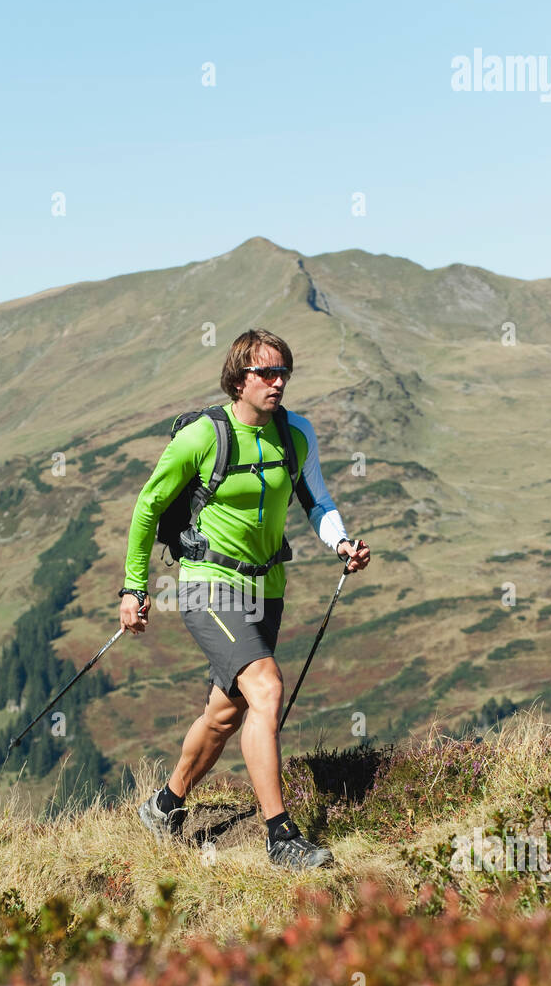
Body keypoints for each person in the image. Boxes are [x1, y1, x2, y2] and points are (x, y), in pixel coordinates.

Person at [118, 328, 370, 869]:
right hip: (206, 583)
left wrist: (341, 541)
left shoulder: (295, 433)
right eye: (266, 373)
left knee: (226, 712)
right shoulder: (203, 437)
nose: (278, 382)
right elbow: (147, 506)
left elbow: (317, 500)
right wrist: (133, 589)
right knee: (267, 688)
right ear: (239, 378)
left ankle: (165, 805)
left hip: (265, 587)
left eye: (284, 373)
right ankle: (281, 838)